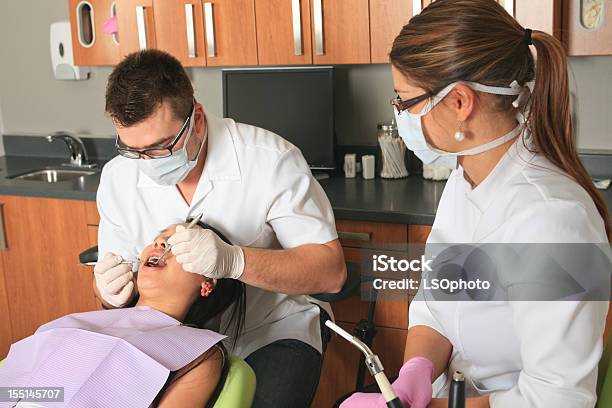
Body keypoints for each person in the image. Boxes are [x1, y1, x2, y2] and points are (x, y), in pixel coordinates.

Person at [342, 0, 611, 407]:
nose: (401, 115)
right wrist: (417, 371)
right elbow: (437, 302)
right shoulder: (464, 182)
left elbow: (559, 398)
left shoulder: (553, 220)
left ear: (460, 103)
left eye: (405, 102)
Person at [93, 49, 346, 407]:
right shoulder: (119, 178)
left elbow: (331, 272)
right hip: (171, 341)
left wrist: (234, 262)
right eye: (134, 151)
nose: (146, 163)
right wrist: (109, 294)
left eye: (162, 147)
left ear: (196, 118)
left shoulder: (270, 160)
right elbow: (117, 291)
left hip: (271, 330)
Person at [1, 223, 246, 408]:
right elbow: (14, 389)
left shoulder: (199, 353)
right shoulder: (77, 323)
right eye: (158, 239)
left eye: (175, 245)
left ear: (208, 280)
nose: (160, 245)